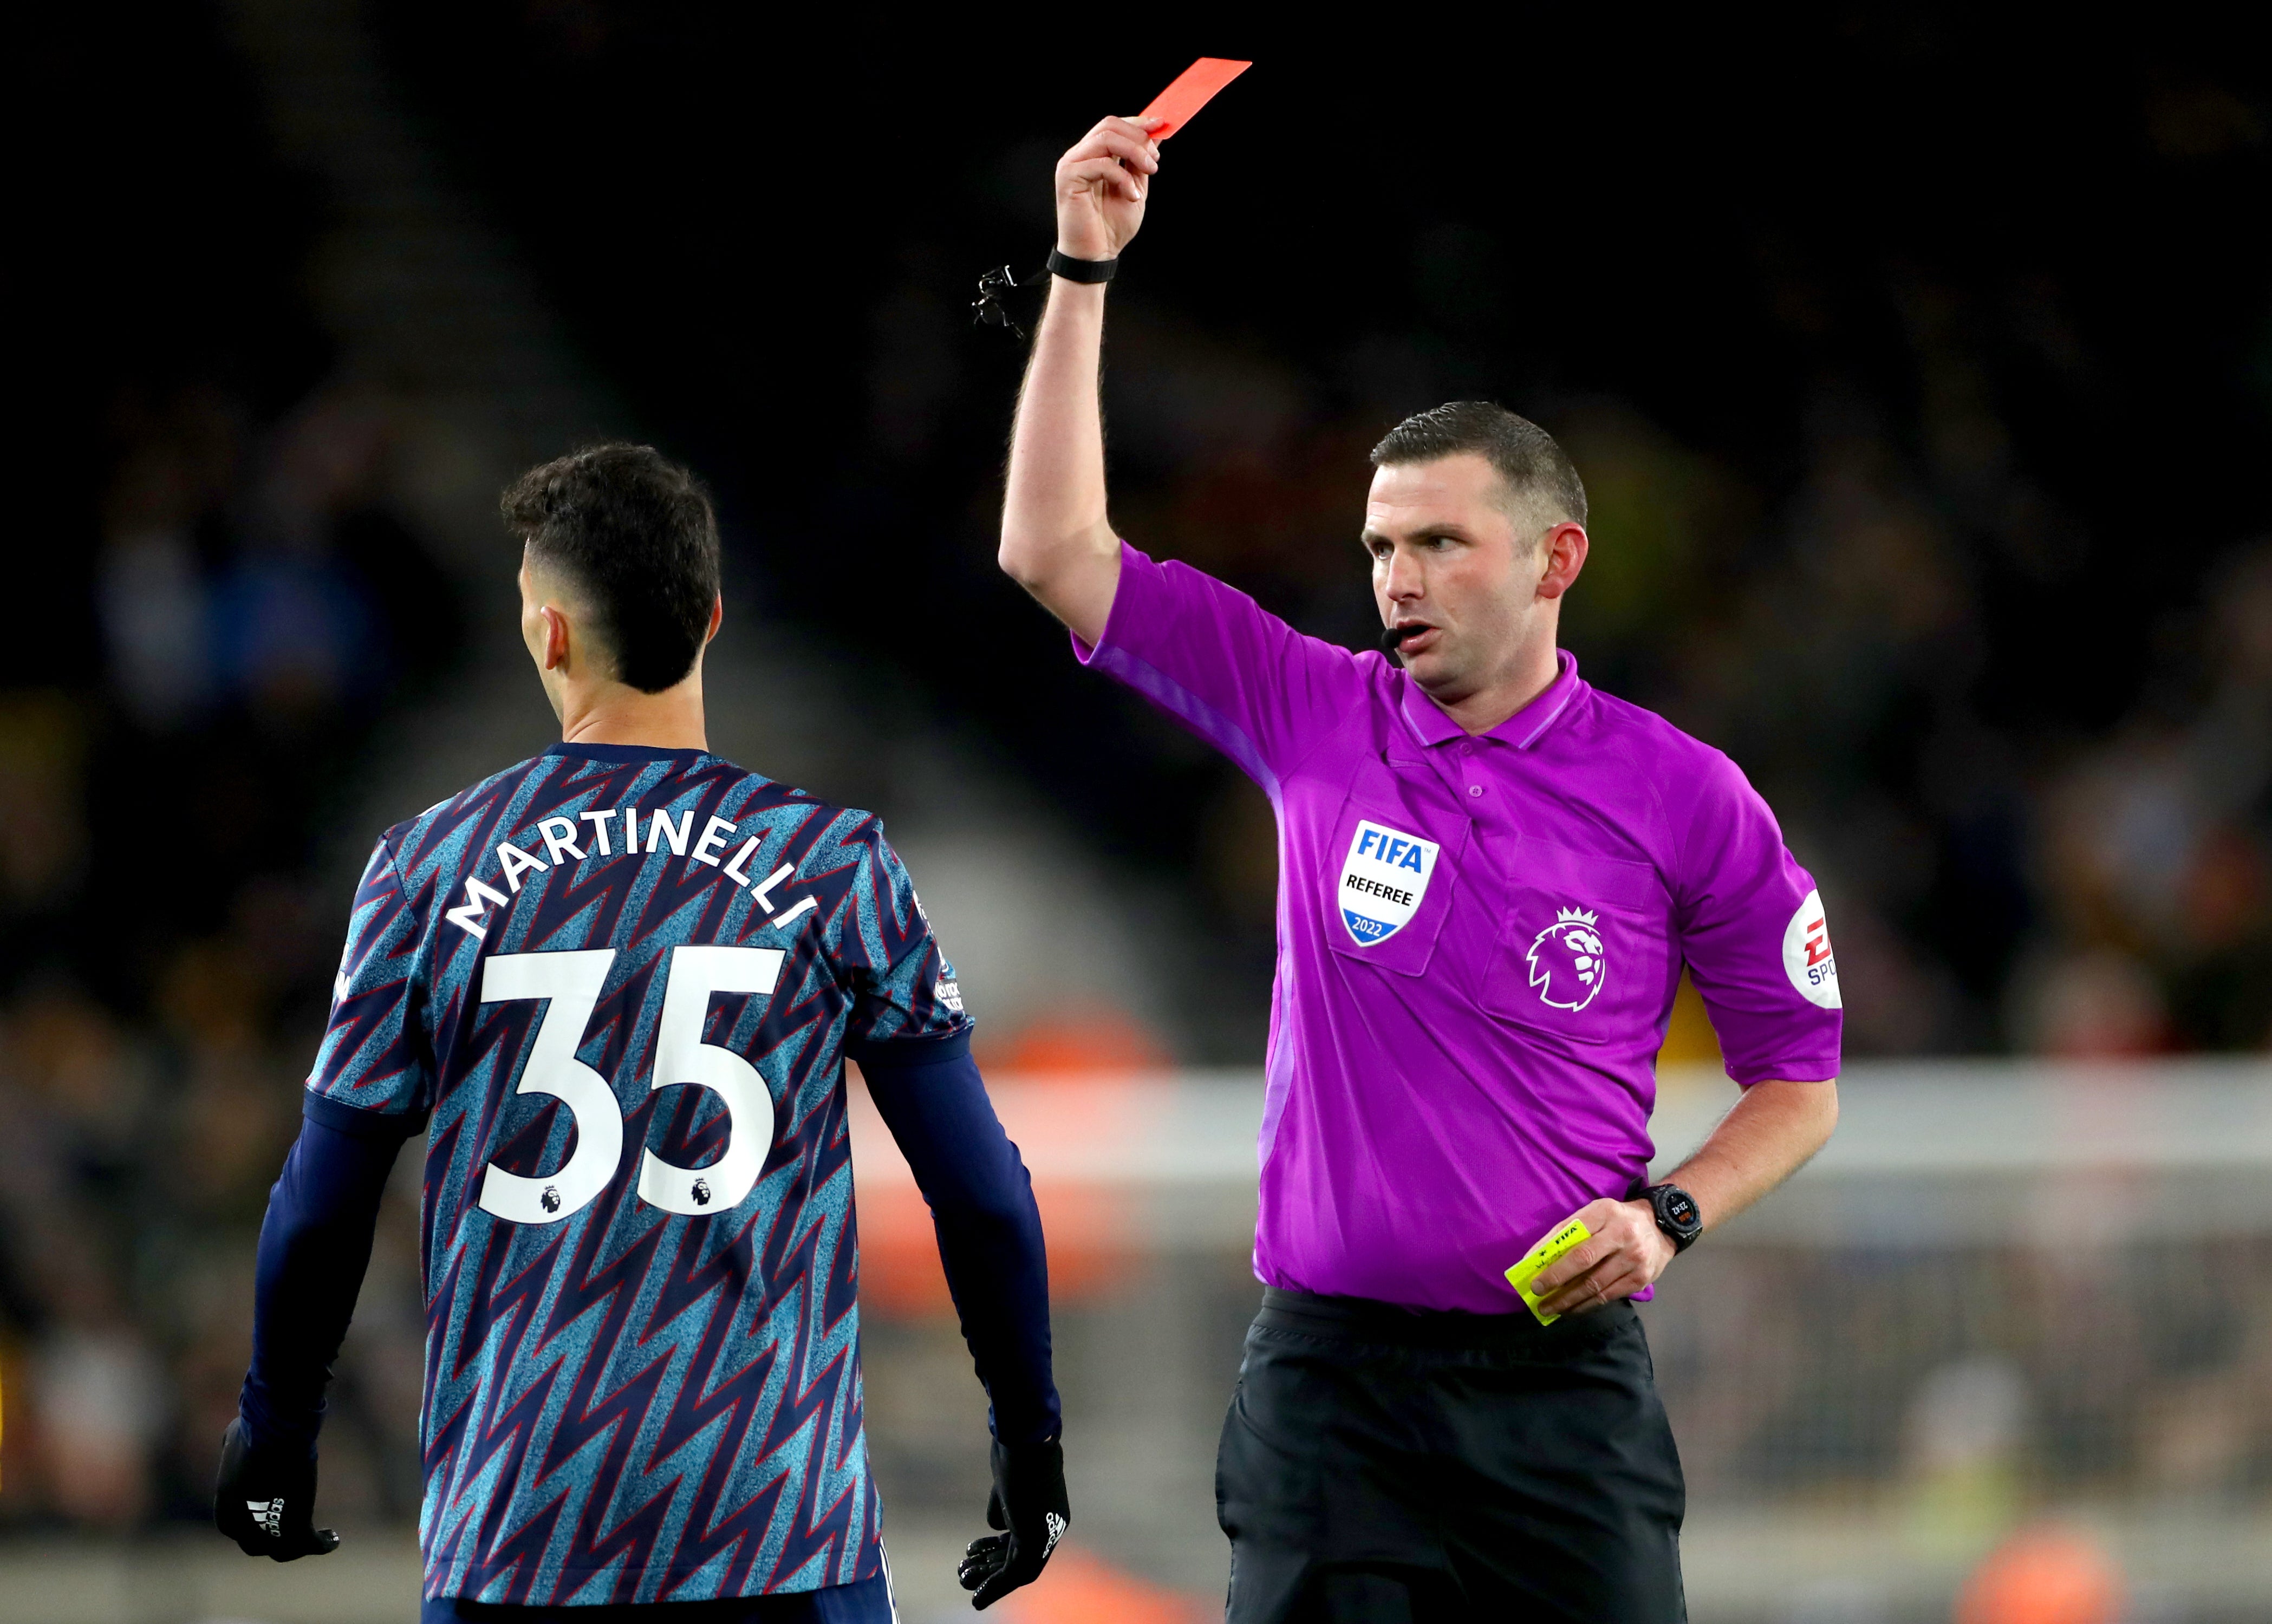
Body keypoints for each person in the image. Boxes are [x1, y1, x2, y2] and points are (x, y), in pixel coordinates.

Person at [996, 116, 1843, 1622]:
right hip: (1332, 1389)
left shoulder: (1686, 798)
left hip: (1557, 1400)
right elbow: (1053, 548)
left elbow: (1798, 1084)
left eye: (1441, 543)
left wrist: (1670, 1217)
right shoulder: (1311, 711)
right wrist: (1080, 269)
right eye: (1381, 546)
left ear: (1553, 559)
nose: (1395, 580)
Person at [216, 445, 1069, 1618]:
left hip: (518, 1538)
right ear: (711, 619)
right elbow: (980, 1193)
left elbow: (323, 1198)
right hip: (778, 1535)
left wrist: (277, 1426)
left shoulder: (425, 871)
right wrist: (1027, 1438)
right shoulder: (834, 864)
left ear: (551, 636)